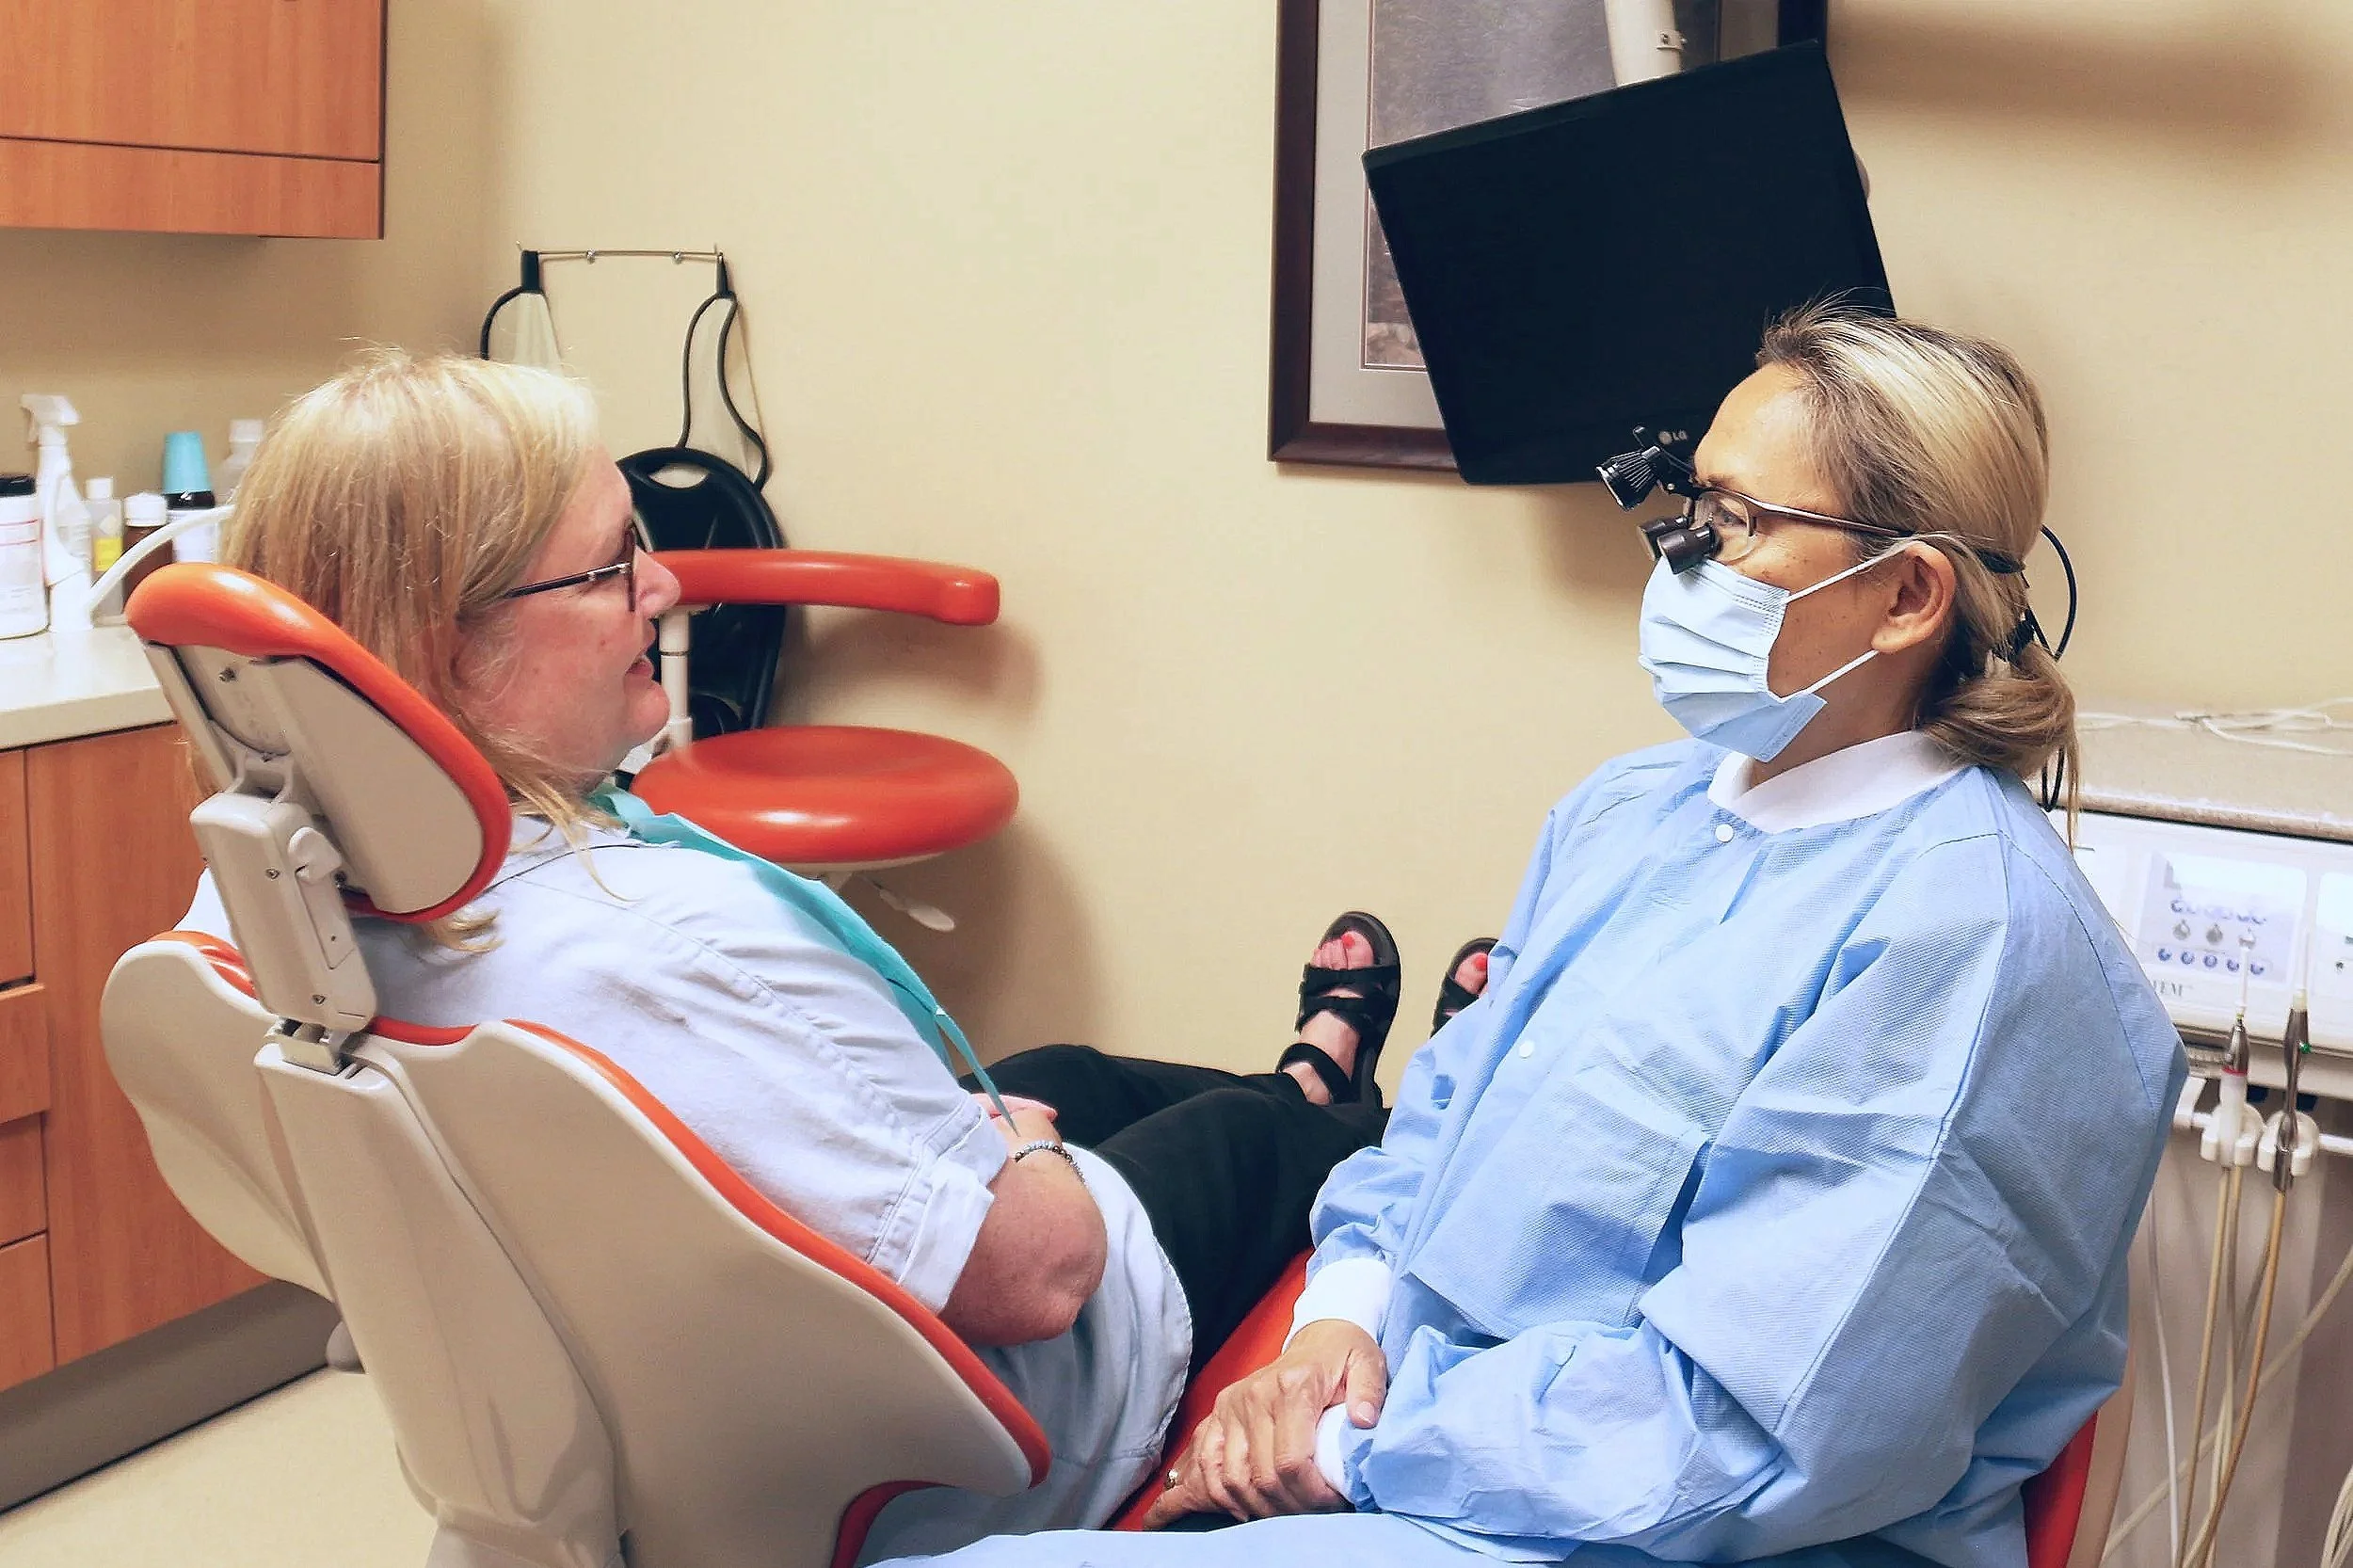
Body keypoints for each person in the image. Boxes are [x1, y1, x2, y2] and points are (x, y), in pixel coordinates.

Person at [873, 309, 2186, 1568]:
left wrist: (1346, 1442)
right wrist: (1343, 1320)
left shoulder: (1974, 950)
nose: (1680, 557)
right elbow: (1437, 1116)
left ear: (1906, 596)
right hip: (1445, 1460)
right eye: (1685, 502)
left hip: (1669, 1530)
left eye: (1735, 526)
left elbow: (1736, 1429)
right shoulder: (1637, 809)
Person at [171, 350, 1493, 1560]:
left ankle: (1302, 1072)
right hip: (987, 1432)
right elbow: (1043, 1275)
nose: (667, 585)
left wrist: (1009, 1114)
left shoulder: (265, 913)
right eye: (608, 565)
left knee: (1063, 1067)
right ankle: (1346, 1098)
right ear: (447, 647)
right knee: (1257, 1146)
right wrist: (1019, 1147)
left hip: (659, 1396)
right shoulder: (678, 945)